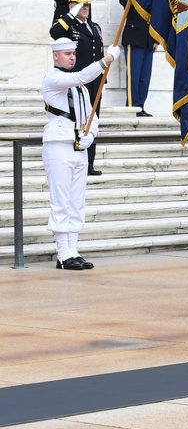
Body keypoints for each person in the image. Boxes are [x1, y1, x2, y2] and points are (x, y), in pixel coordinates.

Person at [42, 37, 121, 270]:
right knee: (61, 202)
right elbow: (81, 75)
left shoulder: (81, 89)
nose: (71, 57)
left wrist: (91, 135)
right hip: (58, 146)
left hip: (78, 148)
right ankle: (62, 253)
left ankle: (73, 251)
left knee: (76, 202)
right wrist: (106, 60)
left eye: (72, 53)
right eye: (66, 54)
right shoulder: (53, 78)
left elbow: (92, 116)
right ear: (56, 56)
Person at [49, 0, 104, 176]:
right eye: (81, 4)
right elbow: (54, 32)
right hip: (77, 81)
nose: (86, 7)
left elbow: (99, 54)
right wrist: (70, 14)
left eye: (87, 4)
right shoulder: (69, 27)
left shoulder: (95, 27)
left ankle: (89, 163)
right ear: (72, 6)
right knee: (79, 120)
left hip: (94, 83)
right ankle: (76, 157)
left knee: (92, 119)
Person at [119, 0, 158, 117]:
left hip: (148, 40)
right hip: (134, 39)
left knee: (144, 77)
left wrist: (156, 39)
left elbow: (156, 16)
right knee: (133, 76)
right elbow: (124, 2)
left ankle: (140, 106)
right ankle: (131, 107)